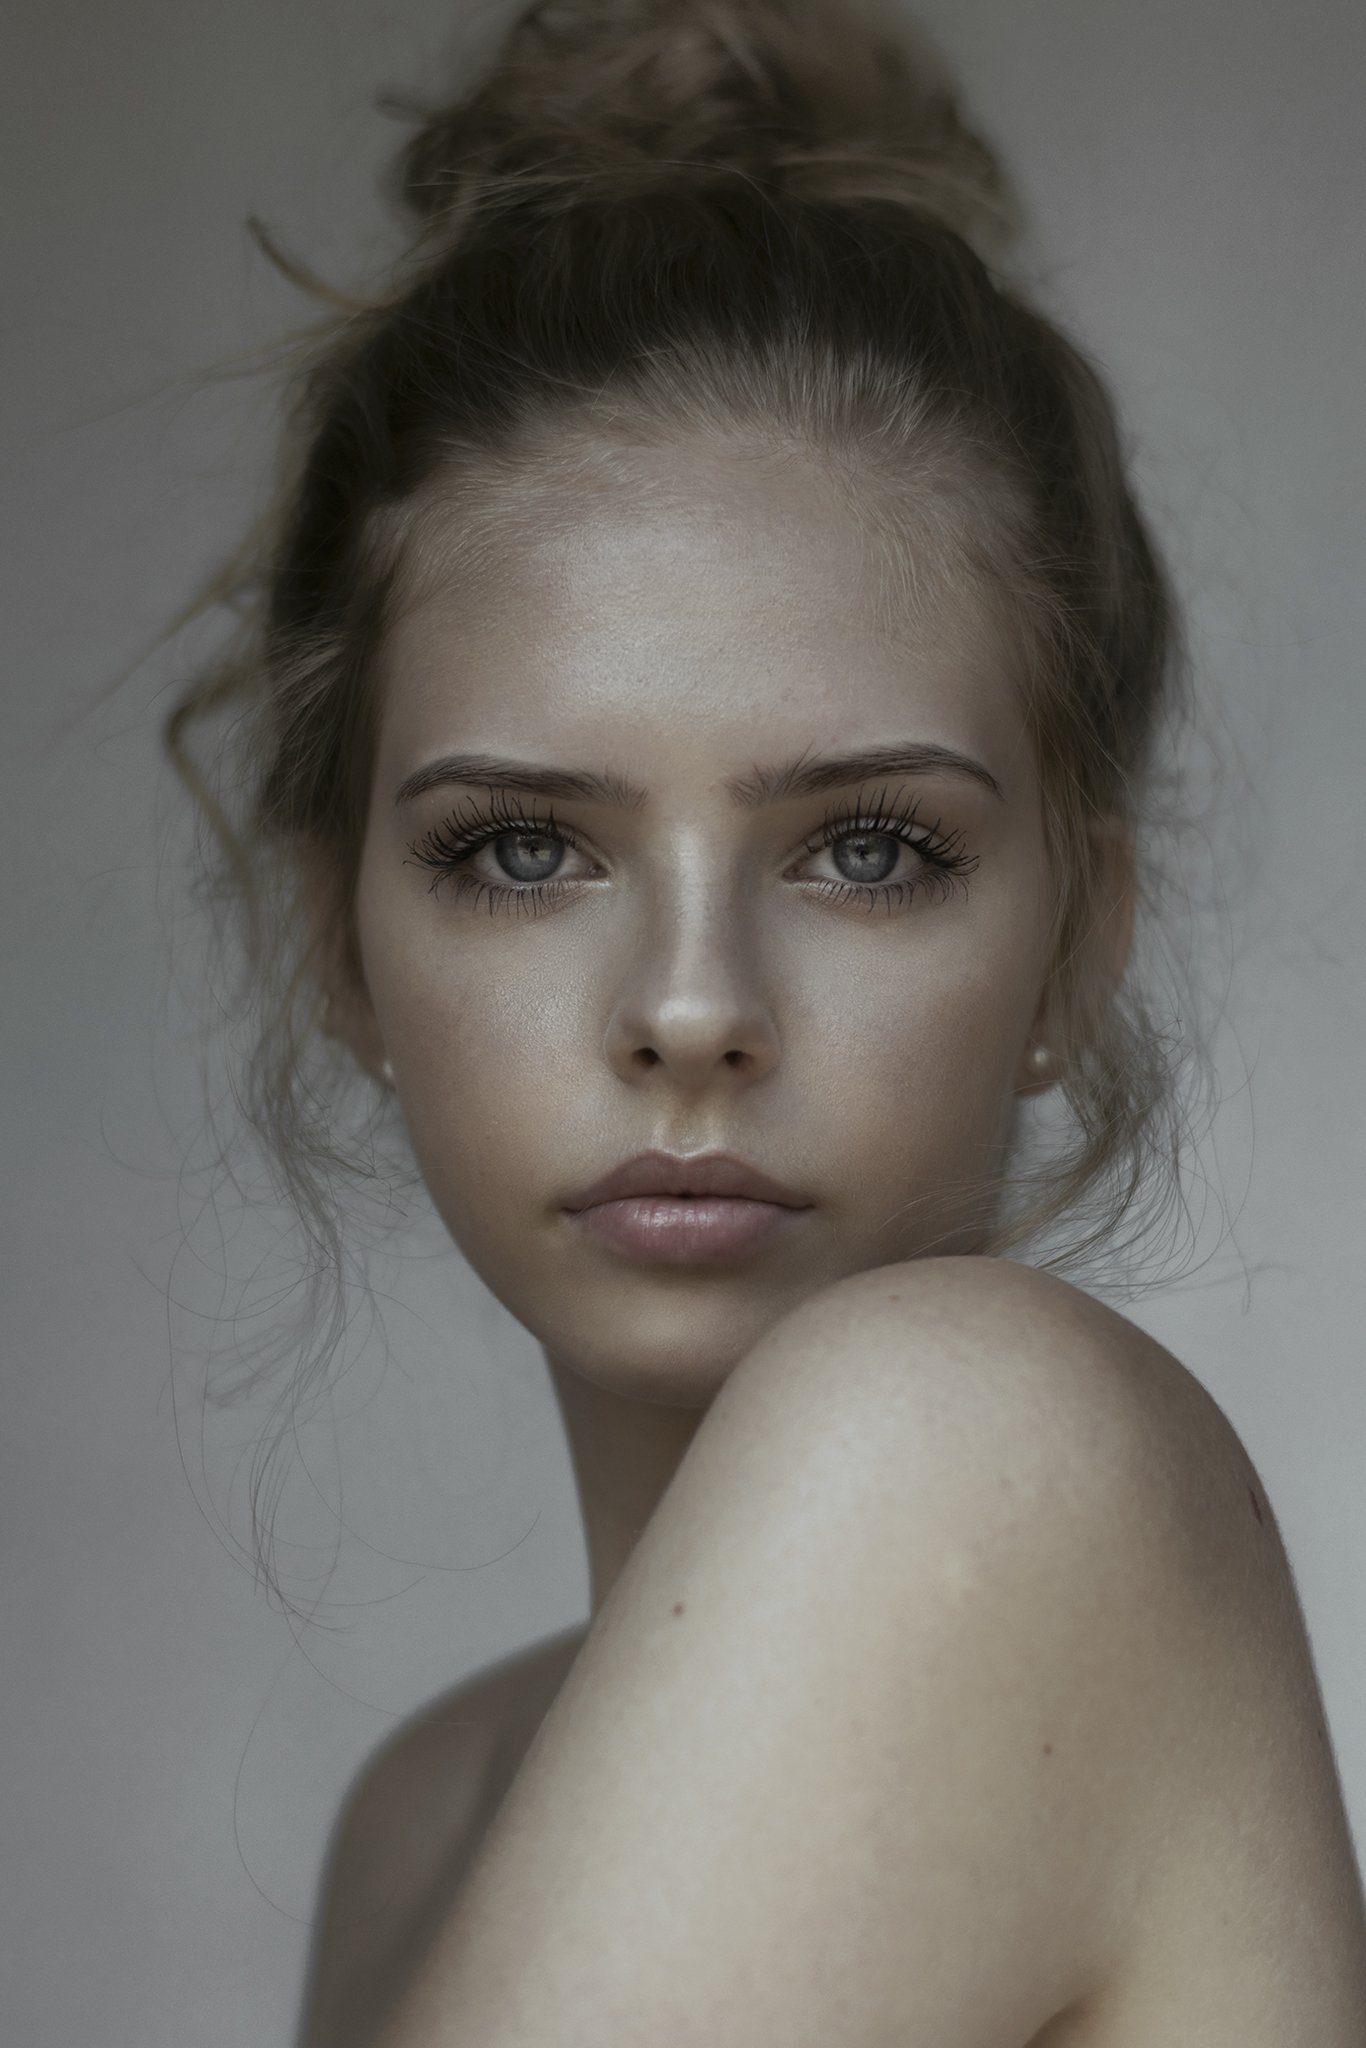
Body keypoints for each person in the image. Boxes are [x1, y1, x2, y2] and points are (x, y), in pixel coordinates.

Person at [163, 1, 1366, 2041]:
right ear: (337, 946)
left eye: (868, 848)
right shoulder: (427, 1813)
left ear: (1078, 942)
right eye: (524, 851)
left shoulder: (975, 1442)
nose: (692, 1006)